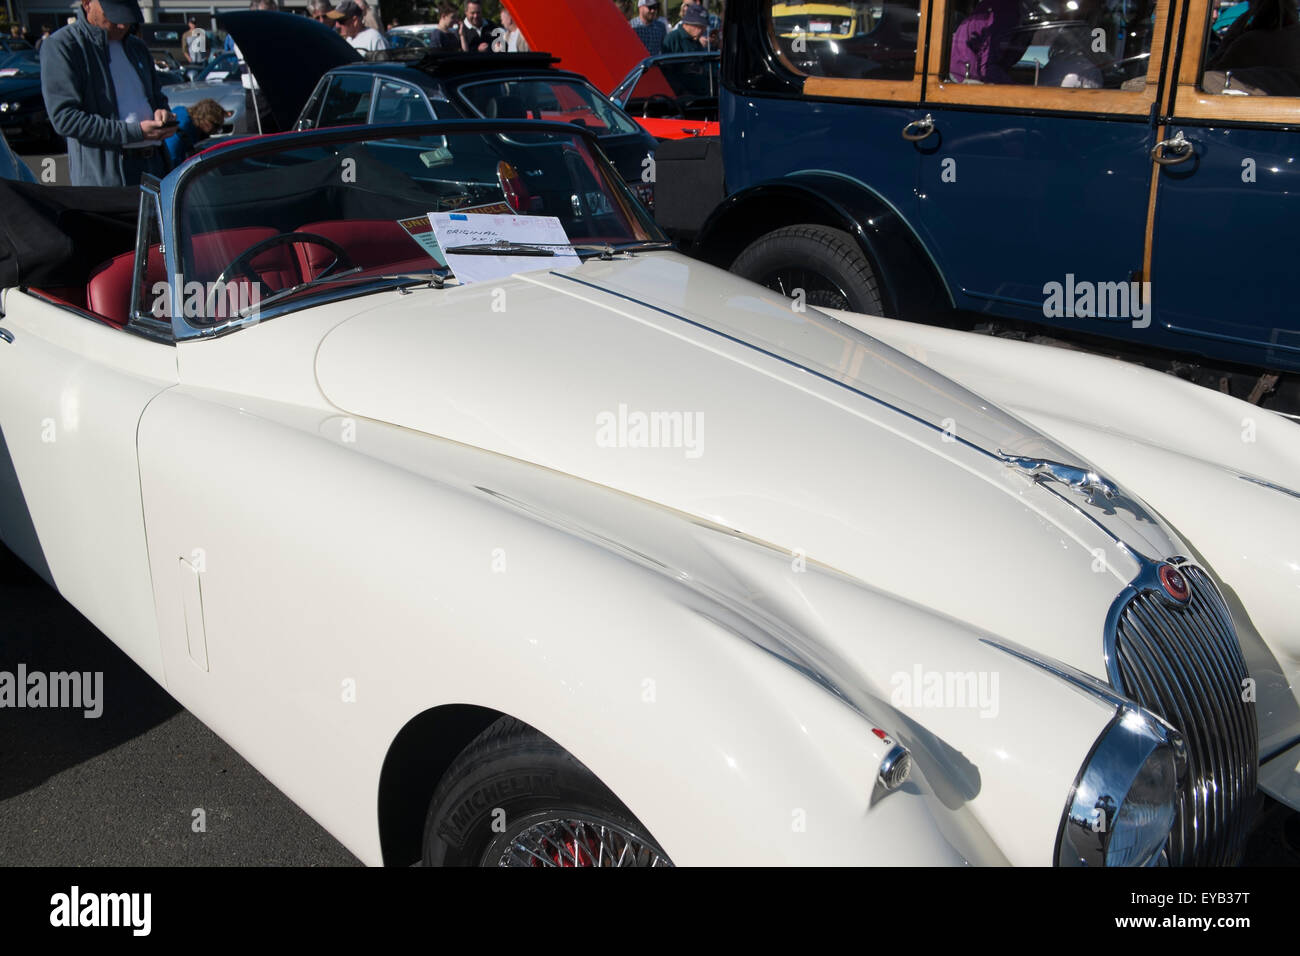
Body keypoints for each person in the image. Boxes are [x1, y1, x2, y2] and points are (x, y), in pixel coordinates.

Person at [40, 0, 175, 186]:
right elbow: (65, 119)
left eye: (128, 18)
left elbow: (157, 98)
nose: (123, 25)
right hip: (107, 176)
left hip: (155, 164)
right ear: (87, 4)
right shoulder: (63, 46)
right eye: (114, 16)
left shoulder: (137, 47)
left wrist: (163, 113)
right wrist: (135, 132)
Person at [948, 0, 1029, 83]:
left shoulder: (1008, 7)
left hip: (967, 73)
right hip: (966, 79)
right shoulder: (1006, 10)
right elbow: (987, 68)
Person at [163, 96, 225, 167]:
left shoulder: (186, 118)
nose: (216, 130)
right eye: (216, 125)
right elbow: (172, 155)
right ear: (205, 119)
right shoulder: (182, 129)